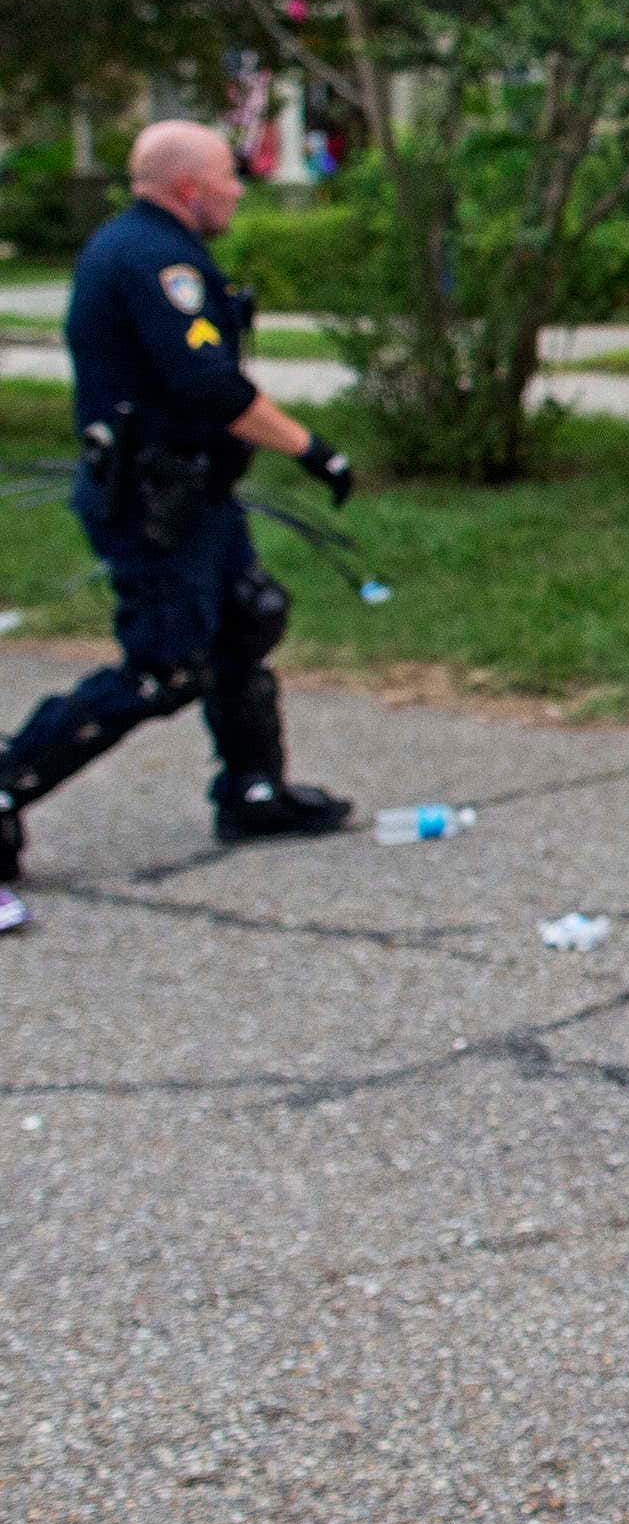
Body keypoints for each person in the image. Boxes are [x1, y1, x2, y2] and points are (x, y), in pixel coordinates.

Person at [0, 120, 357, 927]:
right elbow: (210, 387)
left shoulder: (151, 247)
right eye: (230, 176)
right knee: (163, 664)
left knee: (245, 618)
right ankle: (8, 781)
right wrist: (315, 451)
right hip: (155, 503)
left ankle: (253, 790)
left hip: (195, 494)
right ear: (189, 187)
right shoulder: (150, 258)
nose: (239, 188)